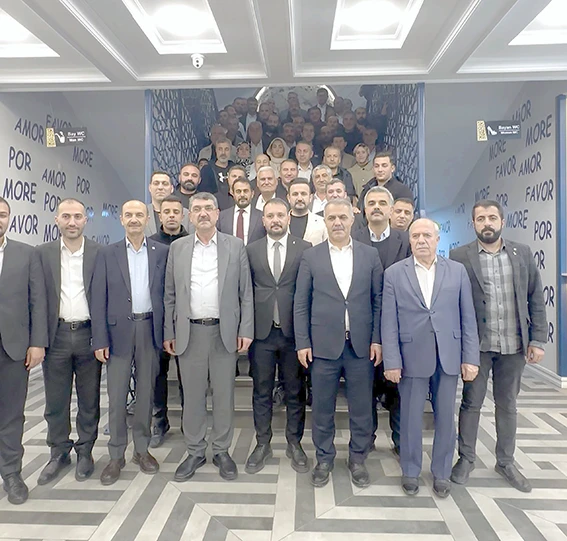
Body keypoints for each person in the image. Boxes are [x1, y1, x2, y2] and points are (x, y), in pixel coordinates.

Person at [450, 199, 548, 493]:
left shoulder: (522, 253)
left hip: (514, 345)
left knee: (507, 405)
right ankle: (466, 458)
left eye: (492, 218)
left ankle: (505, 462)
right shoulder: (459, 256)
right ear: (473, 223)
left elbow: (535, 297)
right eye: (481, 219)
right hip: (477, 347)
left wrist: (537, 339)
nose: (487, 223)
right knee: (471, 403)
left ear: (502, 221)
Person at [381, 218, 479, 498]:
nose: (421, 240)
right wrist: (392, 360)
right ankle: (410, 471)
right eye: (416, 236)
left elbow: (468, 317)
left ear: (437, 239)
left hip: (449, 355)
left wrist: (470, 357)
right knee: (410, 417)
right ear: (409, 240)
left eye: (427, 235)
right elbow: (388, 321)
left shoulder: (457, 271)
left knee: (446, 418)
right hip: (411, 356)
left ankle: (442, 472)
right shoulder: (394, 273)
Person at [164, 193, 254, 482]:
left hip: (223, 332)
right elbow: (169, 295)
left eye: (208, 209)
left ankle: (222, 450)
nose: (203, 213)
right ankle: (195, 451)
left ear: (217, 214)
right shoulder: (177, 248)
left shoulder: (235, 246)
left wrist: (246, 329)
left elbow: (246, 293)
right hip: (189, 332)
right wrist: (169, 331)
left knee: (224, 395)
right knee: (192, 396)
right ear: (190, 216)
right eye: (197, 209)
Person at [294, 198, 383, 488]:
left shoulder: (370, 255)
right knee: (322, 407)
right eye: (331, 218)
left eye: (342, 217)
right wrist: (303, 342)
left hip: (360, 347)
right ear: (325, 221)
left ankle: (357, 458)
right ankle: (324, 458)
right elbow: (301, 303)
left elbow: (378, 301)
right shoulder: (311, 256)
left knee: (361, 407)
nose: (337, 223)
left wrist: (377, 339)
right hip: (322, 346)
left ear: (353, 219)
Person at [91, 200, 169, 485]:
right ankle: (116, 455)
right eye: (129, 215)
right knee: (117, 395)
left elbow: (167, 295)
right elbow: (98, 298)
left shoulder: (161, 252)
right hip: (117, 333)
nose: (134, 219)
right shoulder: (107, 253)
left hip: (149, 328)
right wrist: (99, 338)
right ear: (121, 220)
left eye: (139, 215)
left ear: (147, 219)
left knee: (146, 392)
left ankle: (142, 450)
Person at [36, 199, 101, 486]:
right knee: (56, 399)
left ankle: (85, 451)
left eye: (77, 216)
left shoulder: (99, 253)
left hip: (89, 334)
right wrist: (38, 340)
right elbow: (36, 300)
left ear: (86, 220)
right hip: (57, 336)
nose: (72, 222)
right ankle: (59, 451)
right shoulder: (42, 254)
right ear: (57, 220)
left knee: (89, 399)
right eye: (66, 216)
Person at [245, 199, 311, 474]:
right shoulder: (250, 250)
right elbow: (245, 291)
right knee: (261, 390)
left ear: (288, 218)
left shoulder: (305, 249)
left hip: (293, 333)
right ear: (263, 220)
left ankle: (294, 442)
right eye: (270, 215)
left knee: (295, 390)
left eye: (280, 215)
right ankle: (263, 443)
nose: (275, 220)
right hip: (261, 334)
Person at [352, 187, 411, 456]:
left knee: (398, 389)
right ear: (364, 210)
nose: (376, 207)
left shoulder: (406, 241)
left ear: (391, 209)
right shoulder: (353, 238)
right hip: (363, 327)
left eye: (382, 203)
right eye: (371, 203)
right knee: (366, 389)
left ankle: (400, 441)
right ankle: (367, 440)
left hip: (400, 326)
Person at [0, 197, 47, 504]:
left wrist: (37, 342)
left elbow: (37, 301)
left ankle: (11, 473)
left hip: (13, 347)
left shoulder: (26, 253)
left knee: (12, 414)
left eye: (2, 214)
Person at [148, 195, 189, 448]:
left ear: (183, 215)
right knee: (157, 374)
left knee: (188, 375)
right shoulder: (150, 244)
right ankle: (160, 421)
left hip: (185, 319)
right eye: (167, 212)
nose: (172, 215)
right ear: (160, 215)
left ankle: (189, 422)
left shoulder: (192, 243)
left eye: (176, 211)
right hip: (156, 319)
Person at [218, 178, 266, 245]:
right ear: (233, 194)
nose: (242, 195)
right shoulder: (222, 216)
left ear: (252, 194)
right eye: (238, 191)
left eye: (246, 191)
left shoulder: (261, 216)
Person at [146, 171, 191, 235]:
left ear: (172, 188)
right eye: (156, 183)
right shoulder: (142, 214)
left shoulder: (187, 215)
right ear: (150, 188)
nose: (160, 187)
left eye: (165, 184)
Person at [288, 178, 327, 245]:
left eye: (303, 194)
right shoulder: (281, 222)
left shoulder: (322, 223)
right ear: (288, 198)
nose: (299, 198)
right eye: (295, 194)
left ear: (310, 197)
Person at [200, 138, 235, 203]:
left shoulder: (236, 169)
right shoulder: (207, 170)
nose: (223, 153)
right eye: (220, 149)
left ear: (230, 151)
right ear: (216, 150)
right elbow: (203, 193)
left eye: (226, 149)